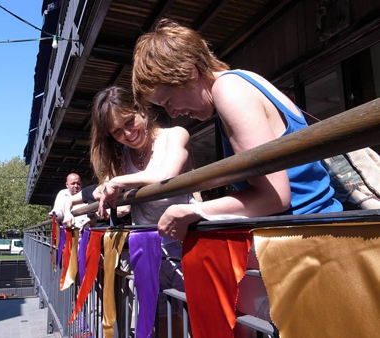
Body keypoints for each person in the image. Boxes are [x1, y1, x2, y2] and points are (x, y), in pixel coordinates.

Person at [132, 18, 343, 241]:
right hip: (317, 230)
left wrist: (192, 211)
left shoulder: (229, 90)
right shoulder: (245, 78)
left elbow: (274, 197)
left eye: (168, 101)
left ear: (190, 73)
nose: (173, 114)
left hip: (309, 238)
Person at [63, 86, 193, 336]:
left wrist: (118, 182)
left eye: (129, 122)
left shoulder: (176, 134)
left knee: (193, 317)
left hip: (185, 244)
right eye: (117, 132)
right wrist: (84, 201)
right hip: (148, 247)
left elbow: (166, 174)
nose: (128, 134)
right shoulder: (122, 157)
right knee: (161, 318)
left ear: (140, 109)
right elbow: (109, 193)